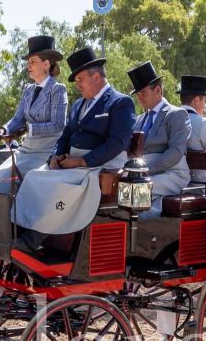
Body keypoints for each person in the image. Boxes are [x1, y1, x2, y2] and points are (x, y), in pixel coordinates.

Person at [13, 46, 134, 243]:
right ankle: (19, 228)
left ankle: (35, 239)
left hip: (100, 166)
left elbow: (117, 143)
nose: (77, 85)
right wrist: (55, 156)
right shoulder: (79, 105)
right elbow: (65, 136)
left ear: (96, 77)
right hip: (73, 165)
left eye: (80, 79)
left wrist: (82, 161)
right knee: (34, 177)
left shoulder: (120, 102)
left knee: (56, 186)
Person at [0, 35, 68, 193]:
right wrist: (3, 130)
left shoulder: (58, 89)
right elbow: (17, 118)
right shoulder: (28, 90)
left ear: (46, 64)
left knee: (5, 181)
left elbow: (58, 125)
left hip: (44, 152)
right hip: (25, 150)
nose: (28, 66)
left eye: (32, 62)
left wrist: (28, 129)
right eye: (28, 62)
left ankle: (10, 216)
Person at [126, 61, 191, 201]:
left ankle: (142, 222)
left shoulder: (177, 114)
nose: (140, 98)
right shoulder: (138, 120)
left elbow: (176, 152)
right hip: (143, 173)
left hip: (173, 173)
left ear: (158, 91)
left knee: (136, 188)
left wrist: (145, 170)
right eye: (138, 94)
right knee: (119, 184)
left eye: (143, 93)